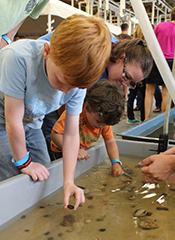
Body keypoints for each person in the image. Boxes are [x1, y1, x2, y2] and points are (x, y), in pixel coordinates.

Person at [0, 14, 111, 210]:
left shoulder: (76, 83)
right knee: (13, 173)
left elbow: (70, 133)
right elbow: (13, 121)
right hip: (4, 119)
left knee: (43, 173)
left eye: (74, 87)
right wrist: (24, 163)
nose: (66, 91)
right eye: (61, 80)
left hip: (31, 122)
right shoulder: (17, 58)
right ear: (47, 51)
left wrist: (68, 180)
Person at [51, 80, 125, 177]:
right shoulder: (75, 113)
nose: (101, 126)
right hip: (61, 150)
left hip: (82, 150)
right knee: (63, 175)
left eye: (105, 124)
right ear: (87, 106)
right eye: (98, 121)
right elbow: (54, 134)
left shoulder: (104, 120)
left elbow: (110, 142)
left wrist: (115, 162)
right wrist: (73, 149)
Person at [144, 6, 175, 120]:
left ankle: (146, 119)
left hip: (156, 59)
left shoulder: (160, 26)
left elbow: (150, 41)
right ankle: (162, 120)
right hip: (171, 62)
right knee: (166, 92)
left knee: (149, 92)